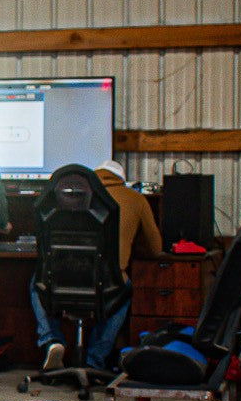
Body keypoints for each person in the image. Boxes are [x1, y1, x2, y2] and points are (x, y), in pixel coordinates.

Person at [33, 159, 163, 371]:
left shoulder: (63, 198)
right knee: (125, 290)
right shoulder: (135, 199)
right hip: (104, 283)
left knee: (35, 284)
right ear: (121, 179)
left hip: (59, 279)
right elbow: (155, 249)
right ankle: (95, 360)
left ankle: (52, 340)